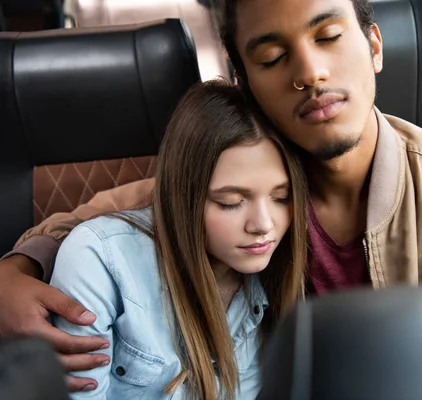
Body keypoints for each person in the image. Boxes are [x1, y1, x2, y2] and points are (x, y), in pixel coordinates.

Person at [0, 0, 422, 393]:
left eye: (330, 37)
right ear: (244, 81)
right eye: (271, 58)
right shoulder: (254, 172)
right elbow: (122, 212)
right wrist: (15, 268)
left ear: (374, 46)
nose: (310, 73)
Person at [48, 80, 307, 399]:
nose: (264, 225)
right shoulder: (98, 259)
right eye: (230, 202)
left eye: (281, 198)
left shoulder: (271, 281)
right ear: (184, 195)